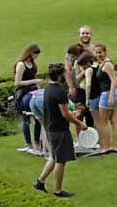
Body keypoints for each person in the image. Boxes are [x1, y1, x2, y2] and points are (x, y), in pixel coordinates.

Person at [33, 62, 82, 197]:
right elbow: (65, 113)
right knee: (60, 160)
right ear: (61, 75)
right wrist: (80, 123)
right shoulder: (60, 91)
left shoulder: (48, 88)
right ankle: (58, 190)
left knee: (54, 157)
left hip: (50, 128)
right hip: (59, 130)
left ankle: (40, 182)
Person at [89, 42, 117, 152]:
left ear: (105, 52)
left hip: (108, 93)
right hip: (112, 93)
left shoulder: (107, 64)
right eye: (96, 52)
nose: (98, 54)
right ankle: (115, 146)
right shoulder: (102, 63)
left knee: (103, 123)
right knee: (114, 121)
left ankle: (105, 147)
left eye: (100, 52)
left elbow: (113, 80)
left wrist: (111, 97)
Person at [14, 44, 42, 154]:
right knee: (26, 119)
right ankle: (29, 144)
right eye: (36, 55)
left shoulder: (33, 65)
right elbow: (18, 82)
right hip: (24, 91)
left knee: (37, 118)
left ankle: (37, 143)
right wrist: (34, 81)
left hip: (33, 90)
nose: (37, 57)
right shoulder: (21, 65)